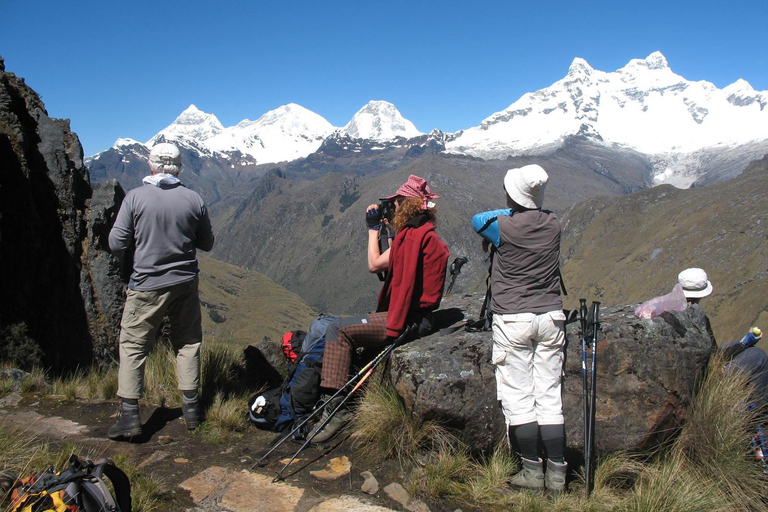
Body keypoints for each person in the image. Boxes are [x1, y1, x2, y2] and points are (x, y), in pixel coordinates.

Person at [309, 175, 450, 444]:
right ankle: (341, 402)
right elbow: (398, 265)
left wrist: (373, 230)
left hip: (408, 318)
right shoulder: (422, 234)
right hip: (421, 317)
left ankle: (336, 410)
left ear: (404, 204)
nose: (393, 208)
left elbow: (376, 266)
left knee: (338, 330)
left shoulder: (411, 238)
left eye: (396, 203)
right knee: (348, 328)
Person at [107, 143, 215, 440]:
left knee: (133, 345)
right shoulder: (194, 199)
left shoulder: (135, 198)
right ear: (179, 167)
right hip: (184, 283)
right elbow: (207, 243)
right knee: (188, 342)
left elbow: (117, 243)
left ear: (151, 165)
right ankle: (192, 411)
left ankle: (130, 415)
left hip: (147, 285)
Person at [472, 164, 568, 493]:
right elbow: (537, 213)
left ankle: (531, 471)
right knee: (549, 395)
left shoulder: (501, 226)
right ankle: (557, 474)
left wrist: (512, 208)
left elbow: (478, 219)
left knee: (519, 396)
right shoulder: (553, 223)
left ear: (512, 195)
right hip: (551, 316)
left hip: (513, 318)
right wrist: (528, 204)